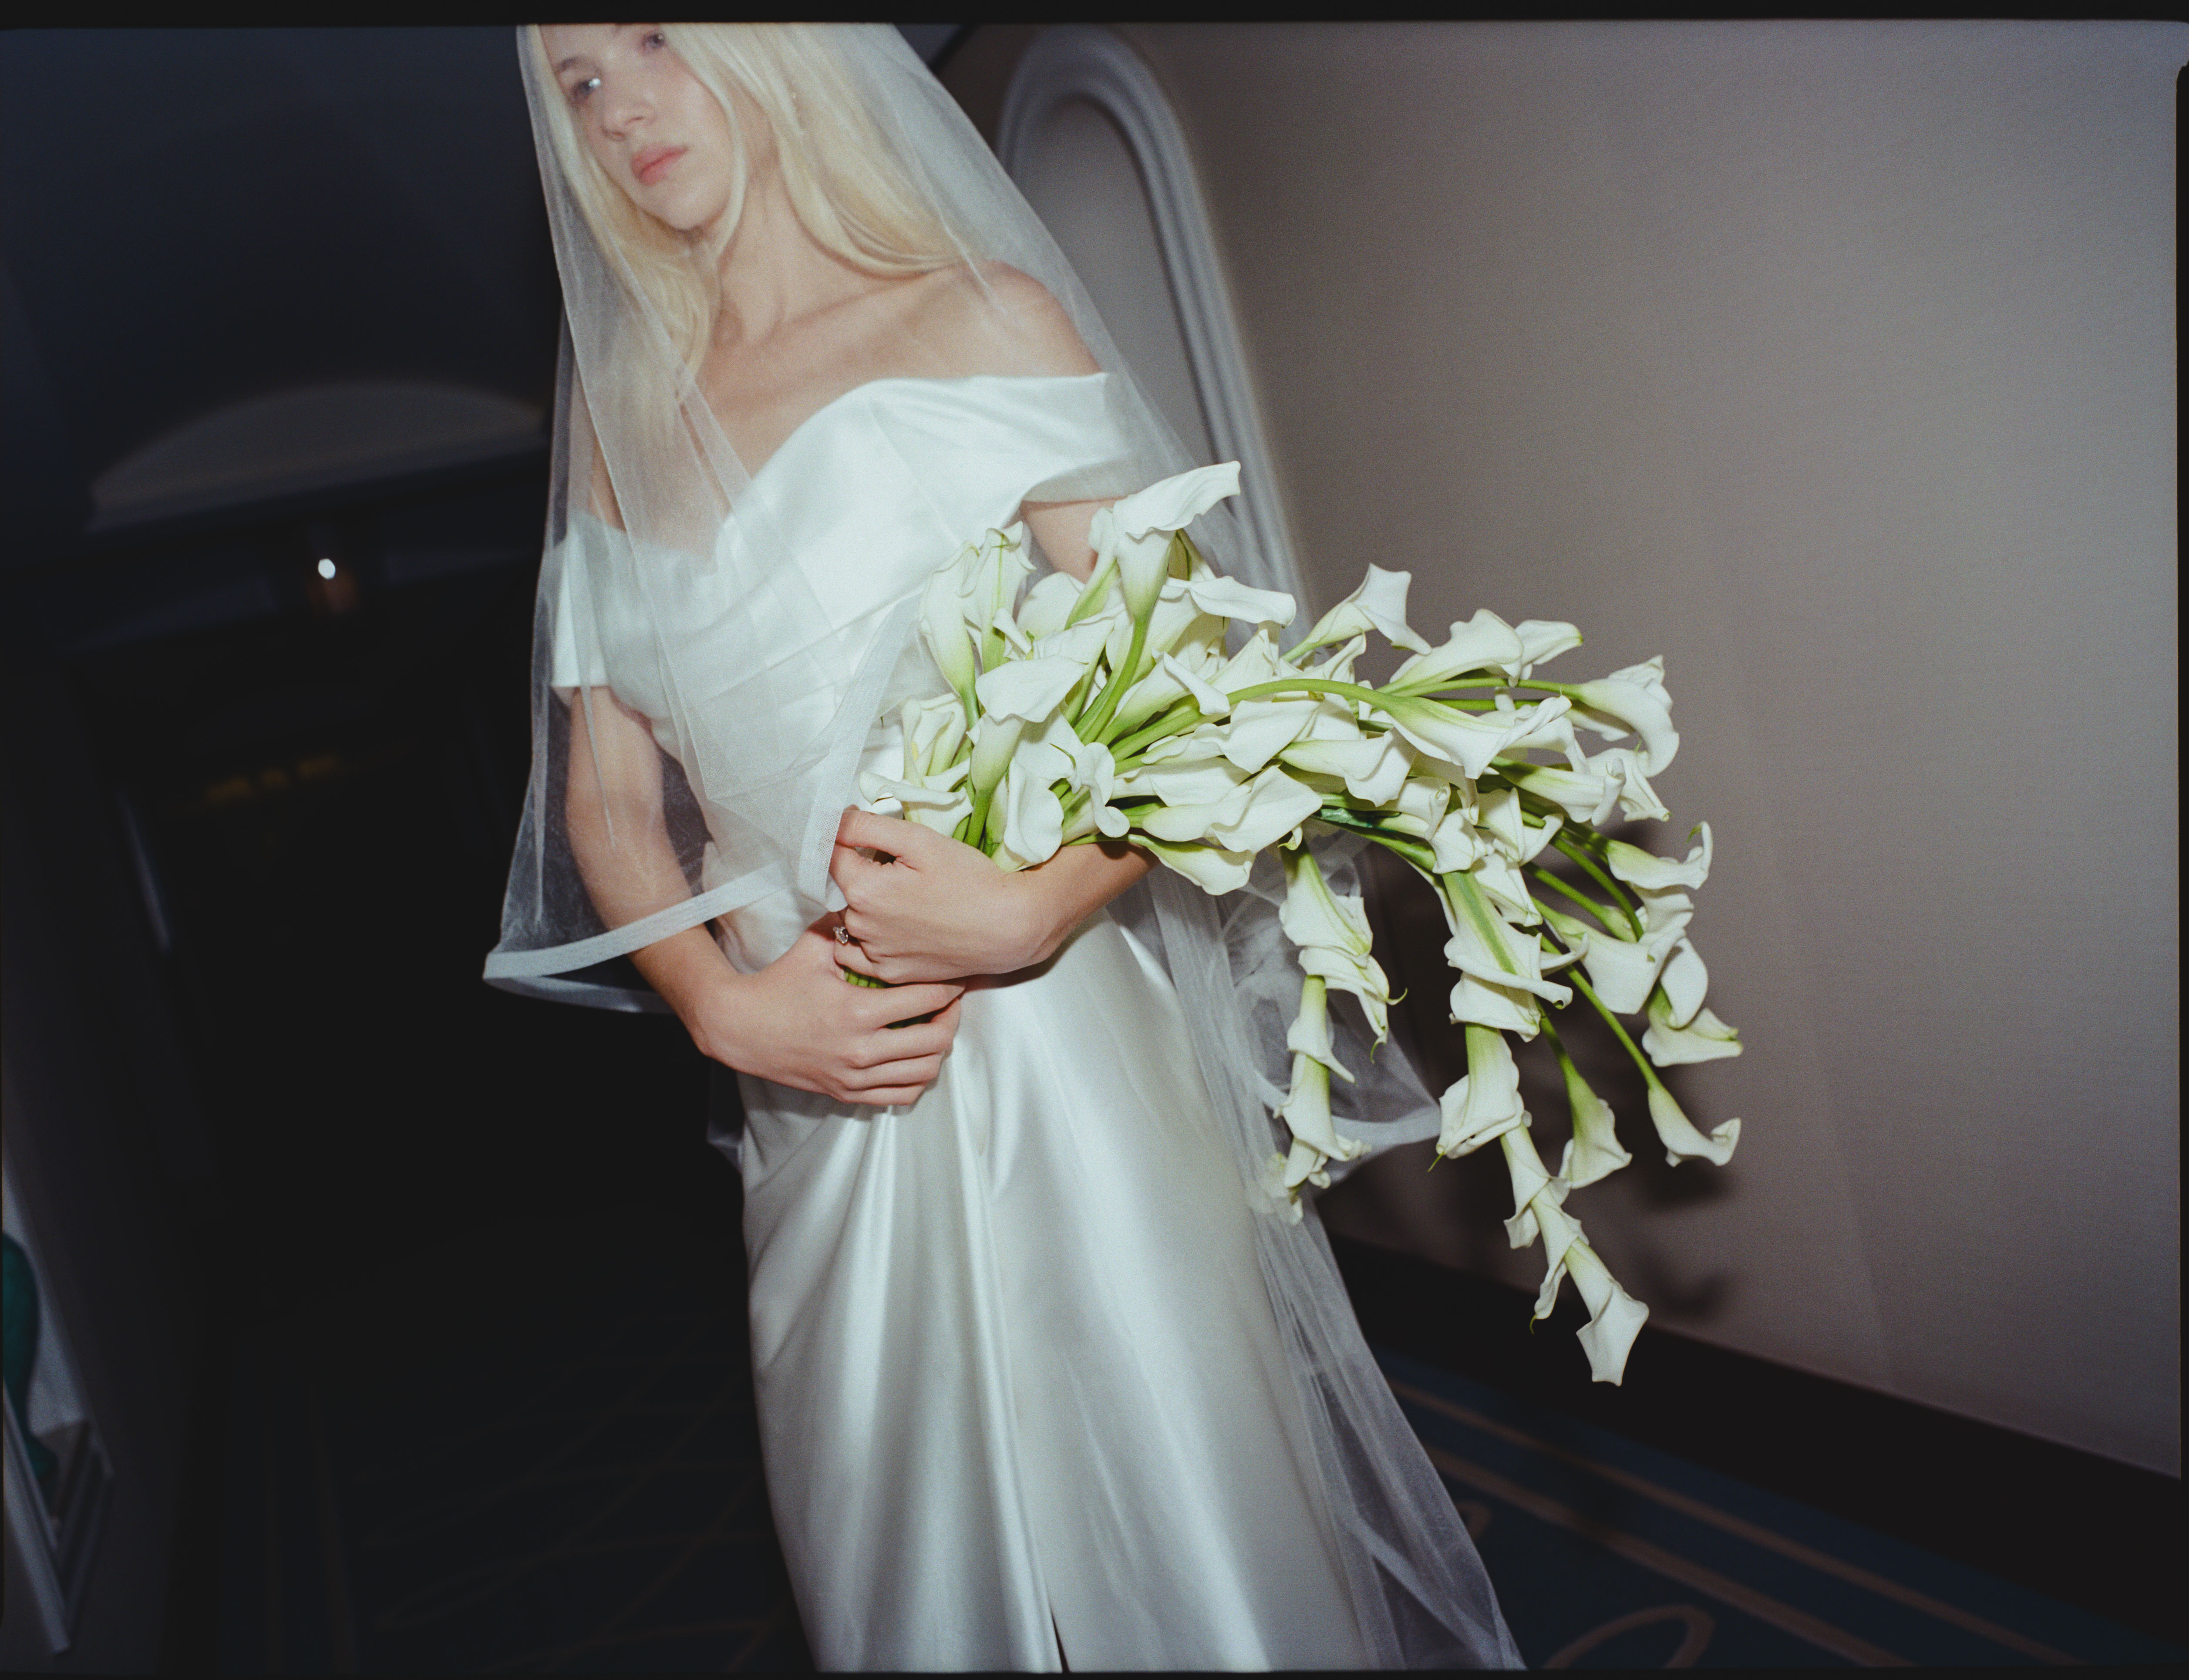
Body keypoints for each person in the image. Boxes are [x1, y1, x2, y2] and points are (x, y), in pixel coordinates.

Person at [485, 22, 1519, 1670]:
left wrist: (1038, 905)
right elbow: (610, 806)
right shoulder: (619, 425)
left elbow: (1205, 690)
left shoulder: (977, 319)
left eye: (654, 40)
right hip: (809, 1094)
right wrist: (719, 1008)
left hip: (1055, 1052)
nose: (619, 109)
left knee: (1174, 1528)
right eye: (576, 84)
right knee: (892, 1572)